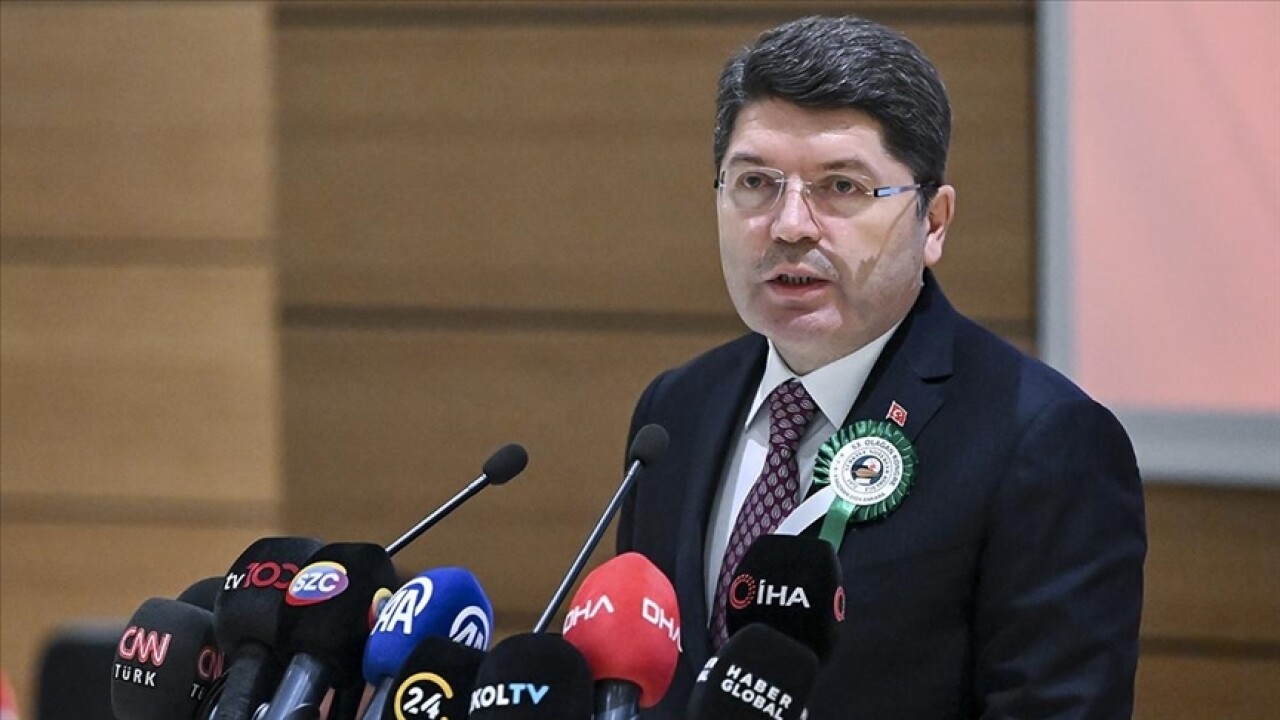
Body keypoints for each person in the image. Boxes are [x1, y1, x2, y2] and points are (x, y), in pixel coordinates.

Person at [616, 15, 1146, 720]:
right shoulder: (676, 411)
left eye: (841, 186)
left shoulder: (1046, 442)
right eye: (755, 182)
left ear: (934, 222)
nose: (789, 225)